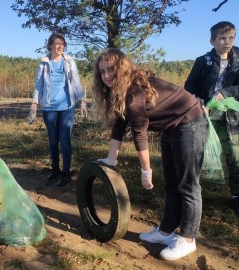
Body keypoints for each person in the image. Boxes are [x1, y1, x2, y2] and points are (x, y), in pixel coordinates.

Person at [93, 48, 208, 261]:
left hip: (190, 122)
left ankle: (188, 239)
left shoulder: (133, 92)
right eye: (102, 72)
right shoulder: (120, 89)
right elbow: (120, 122)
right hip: (171, 127)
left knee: (188, 184)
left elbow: (139, 131)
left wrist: (146, 170)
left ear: (122, 68)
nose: (106, 76)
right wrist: (111, 158)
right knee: (172, 184)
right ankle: (166, 232)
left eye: (111, 70)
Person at [184, 21, 239, 216]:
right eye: (222, 38)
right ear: (212, 41)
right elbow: (189, 87)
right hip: (204, 115)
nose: (227, 42)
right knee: (196, 155)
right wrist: (197, 100)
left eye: (231, 37)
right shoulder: (203, 61)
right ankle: (192, 195)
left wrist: (226, 92)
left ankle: (237, 196)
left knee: (234, 156)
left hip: (230, 117)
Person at [29, 33, 88, 187]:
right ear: (50, 46)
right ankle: (55, 169)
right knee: (53, 141)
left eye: (62, 43)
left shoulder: (69, 62)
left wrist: (82, 101)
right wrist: (34, 104)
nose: (60, 46)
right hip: (49, 108)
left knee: (65, 140)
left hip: (67, 107)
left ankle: (66, 172)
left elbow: (76, 82)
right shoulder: (43, 63)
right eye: (57, 43)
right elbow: (38, 85)